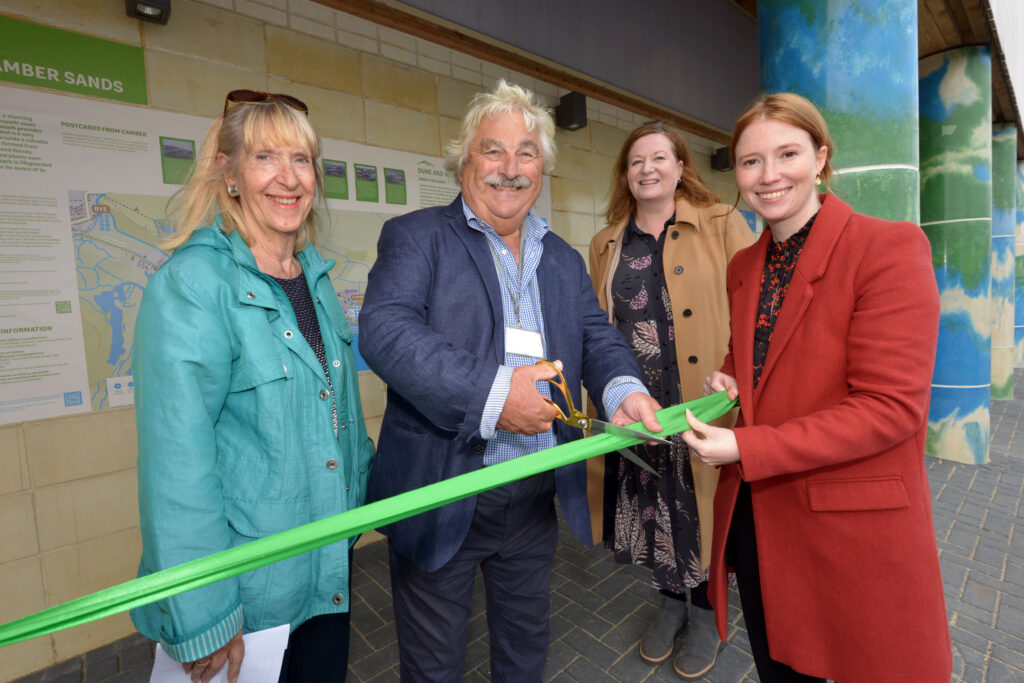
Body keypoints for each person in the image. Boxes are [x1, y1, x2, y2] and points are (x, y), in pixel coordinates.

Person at [358, 80, 663, 681]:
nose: (510, 168)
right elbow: (386, 331)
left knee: (524, 652)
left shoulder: (562, 258)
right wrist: (496, 397)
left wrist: (625, 391)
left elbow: (596, 339)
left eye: (527, 152)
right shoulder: (417, 236)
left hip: (532, 497)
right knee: (433, 666)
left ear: (543, 168)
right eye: (492, 150)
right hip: (442, 489)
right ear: (463, 161)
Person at [681, 93, 952, 681]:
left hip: (849, 520)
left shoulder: (888, 247)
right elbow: (760, 351)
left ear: (821, 157)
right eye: (751, 161)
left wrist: (746, 448)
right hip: (764, 516)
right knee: (781, 670)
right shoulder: (745, 265)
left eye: (787, 153)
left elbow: (891, 408)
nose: (768, 175)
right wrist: (733, 375)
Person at [131, 90, 374, 683]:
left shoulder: (314, 279)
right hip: (247, 604)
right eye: (266, 158)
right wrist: (207, 618)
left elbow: (339, 428)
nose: (288, 179)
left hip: (326, 576)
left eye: (302, 160)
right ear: (228, 170)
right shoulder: (193, 287)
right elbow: (176, 474)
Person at [589, 120, 754, 677]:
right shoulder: (608, 242)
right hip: (640, 410)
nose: (647, 169)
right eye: (636, 161)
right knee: (653, 508)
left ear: (681, 167)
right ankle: (667, 603)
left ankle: (707, 612)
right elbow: (598, 328)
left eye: (659, 158)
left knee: (706, 511)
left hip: (705, 405)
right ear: (626, 175)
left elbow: (755, 308)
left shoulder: (721, 223)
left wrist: (740, 377)